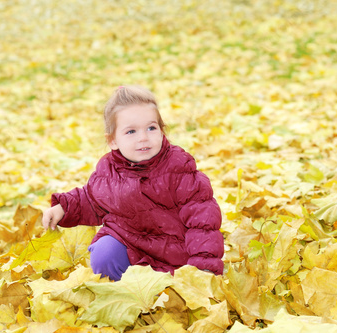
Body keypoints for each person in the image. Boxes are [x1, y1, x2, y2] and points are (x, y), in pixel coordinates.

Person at [42, 85, 224, 281]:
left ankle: (168, 290)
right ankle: (122, 290)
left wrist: (203, 268)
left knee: (175, 287)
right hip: (130, 244)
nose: (143, 137)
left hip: (174, 254)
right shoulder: (108, 170)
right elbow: (91, 198)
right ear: (112, 141)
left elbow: (203, 222)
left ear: (162, 131)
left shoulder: (179, 168)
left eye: (151, 128)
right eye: (131, 132)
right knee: (104, 253)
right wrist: (63, 208)